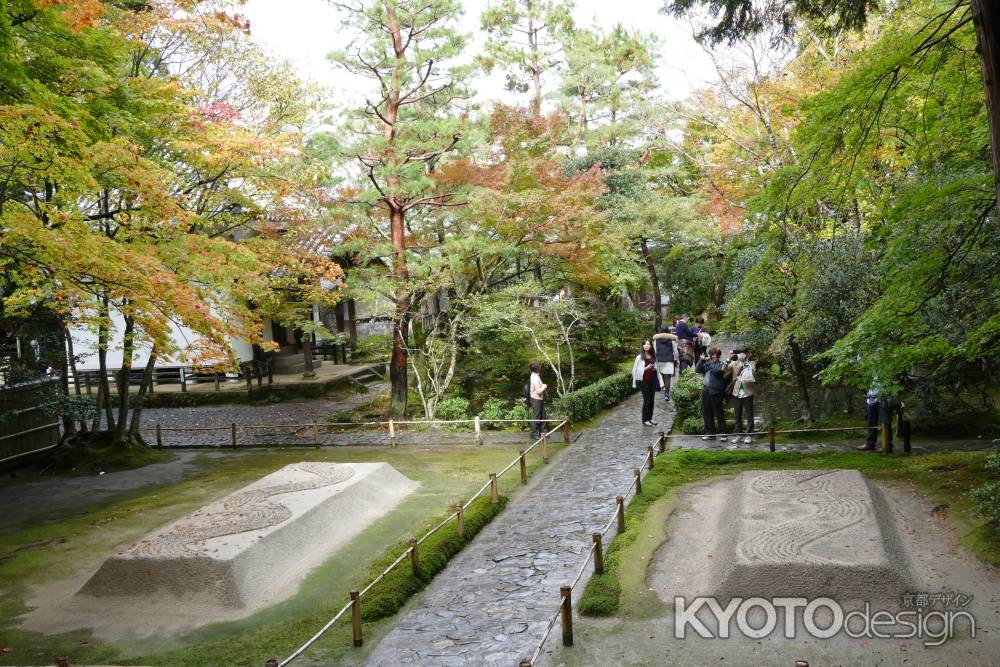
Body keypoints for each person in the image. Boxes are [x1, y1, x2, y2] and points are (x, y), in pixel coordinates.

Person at [696, 347, 727, 441]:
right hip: (706, 390)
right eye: (711, 354)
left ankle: (723, 433)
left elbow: (718, 371)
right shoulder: (707, 364)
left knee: (719, 413)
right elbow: (697, 370)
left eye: (713, 355)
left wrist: (708, 362)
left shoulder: (721, 364)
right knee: (707, 413)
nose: (711, 356)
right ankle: (710, 433)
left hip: (716, 391)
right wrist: (701, 361)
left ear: (718, 356)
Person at [728, 347, 755, 444]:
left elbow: (753, 371)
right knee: (737, 415)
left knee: (749, 414)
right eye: (740, 353)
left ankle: (749, 435)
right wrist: (729, 357)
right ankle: (738, 434)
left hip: (748, 393)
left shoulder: (751, 363)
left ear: (746, 354)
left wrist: (745, 361)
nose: (741, 355)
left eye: (743, 353)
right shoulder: (735, 363)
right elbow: (725, 367)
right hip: (736, 393)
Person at [631, 340, 660, 427]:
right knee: (647, 400)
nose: (646, 346)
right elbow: (635, 370)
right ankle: (645, 420)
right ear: (642, 346)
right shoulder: (639, 357)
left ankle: (650, 418)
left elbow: (657, 368)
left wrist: (654, 369)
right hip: (643, 381)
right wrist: (646, 368)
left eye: (648, 344)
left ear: (651, 346)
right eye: (645, 344)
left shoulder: (653, 356)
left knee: (652, 400)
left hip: (652, 380)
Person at [858, 384, 895, 452]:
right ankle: (870, 444)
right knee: (871, 423)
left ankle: (887, 446)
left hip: (883, 399)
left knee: (885, 422)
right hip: (870, 399)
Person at [652, 326, 679, 400]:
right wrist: (677, 359)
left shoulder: (656, 341)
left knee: (663, 375)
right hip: (669, 360)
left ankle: (665, 389)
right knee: (667, 377)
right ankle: (666, 393)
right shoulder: (672, 341)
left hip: (659, 360)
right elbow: (675, 352)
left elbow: (655, 351)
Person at [528, 360, 548, 441]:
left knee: (543, 415)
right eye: (540, 366)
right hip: (536, 399)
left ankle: (543, 432)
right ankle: (533, 434)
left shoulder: (535, 375)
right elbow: (538, 391)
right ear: (537, 368)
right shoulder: (535, 378)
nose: (541, 367)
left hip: (538, 399)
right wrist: (544, 386)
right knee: (536, 417)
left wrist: (542, 385)